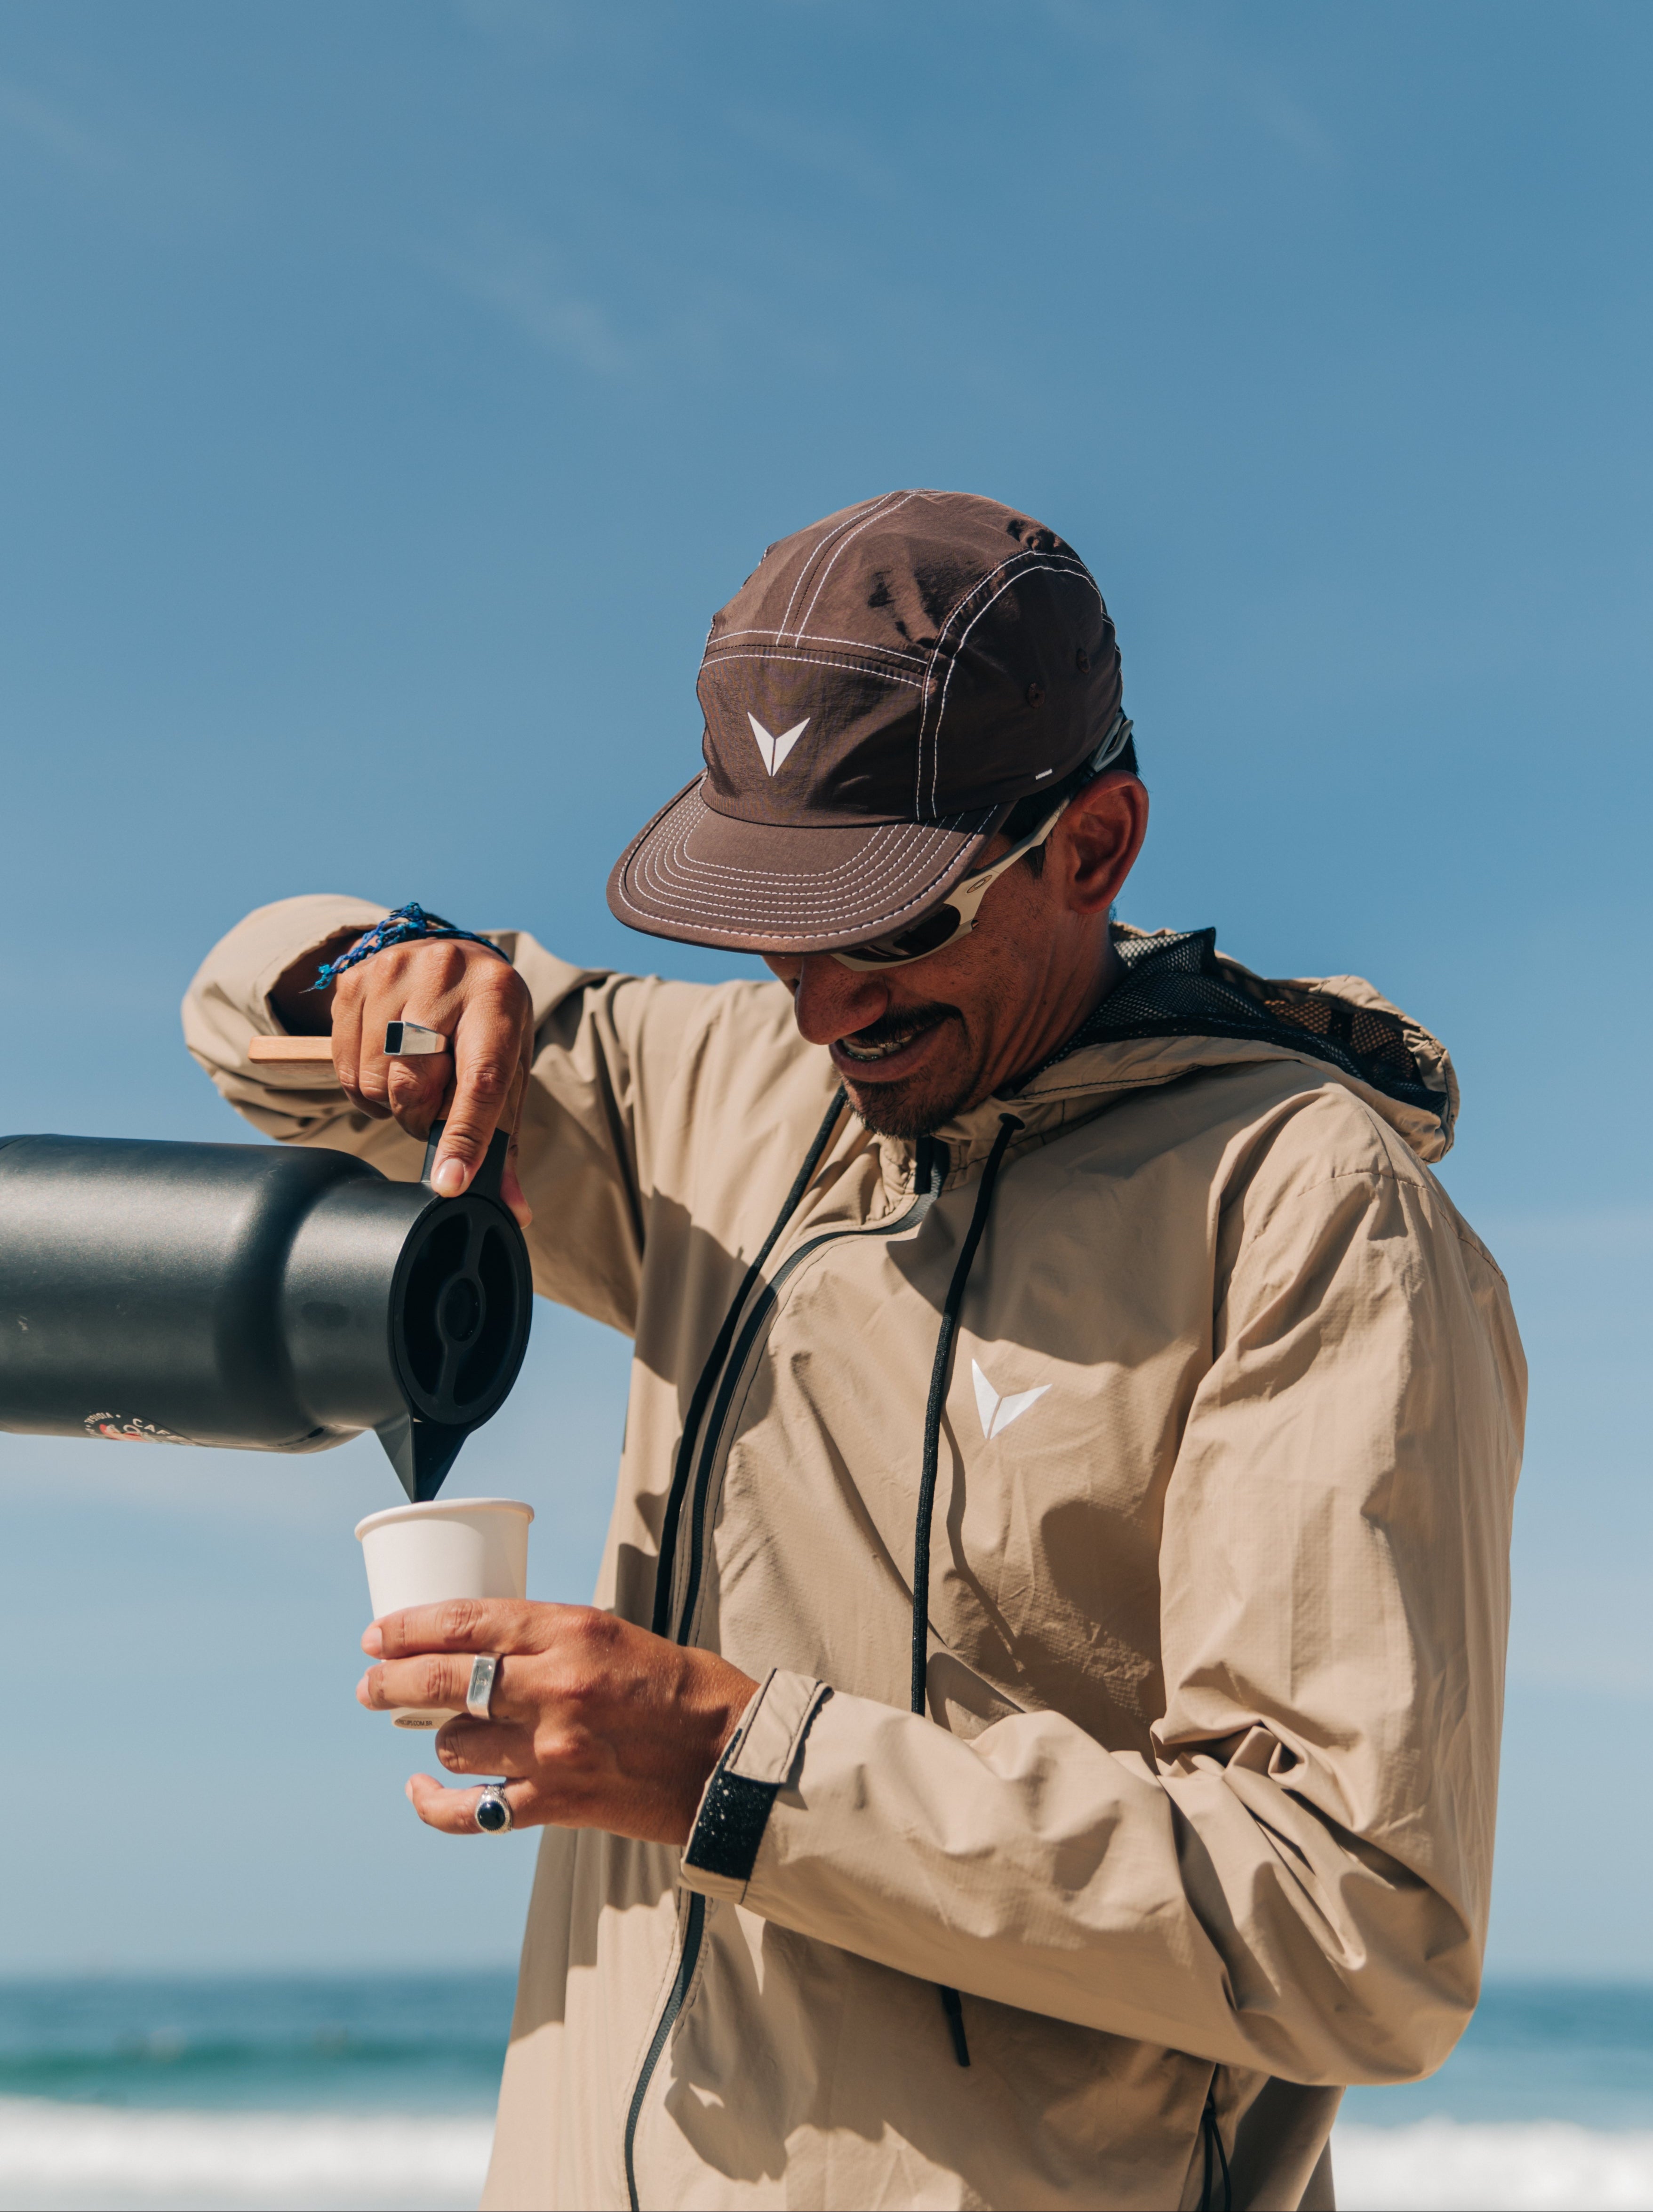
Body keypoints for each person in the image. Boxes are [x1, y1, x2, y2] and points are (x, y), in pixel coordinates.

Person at [184, 489, 1525, 2212]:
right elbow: (250, 1019)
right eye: (771, 918)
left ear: (1095, 845)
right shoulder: (731, 1087)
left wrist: (729, 1762)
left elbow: (1354, 1932)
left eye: (893, 923)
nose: (823, 1004)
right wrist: (371, 968)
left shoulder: (1301, 1213)